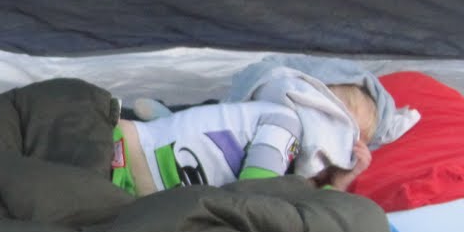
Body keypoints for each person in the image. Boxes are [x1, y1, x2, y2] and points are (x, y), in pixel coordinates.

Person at [111, 81, 380, 196]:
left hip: (132, 156)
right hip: (127, 164)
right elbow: (254, 194)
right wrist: (328, 189)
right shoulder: (285, 127)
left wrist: (336, 184)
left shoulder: (275, 117)